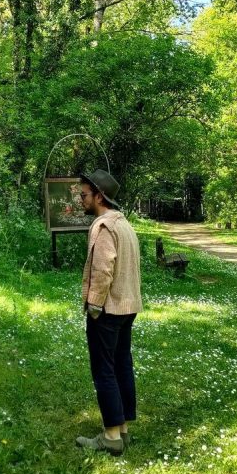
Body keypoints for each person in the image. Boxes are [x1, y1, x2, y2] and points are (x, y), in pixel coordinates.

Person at [75, 170, 142, 456]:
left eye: (84, 195)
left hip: (108, 309)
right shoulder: (125, 225)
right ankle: (123, 428)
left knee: (104, 370)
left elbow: (103, 269)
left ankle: (111, 436)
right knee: (121, 365)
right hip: (128, 307)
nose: (81, 199)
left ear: (99, 196)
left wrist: (94, 306)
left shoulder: (103, 226)